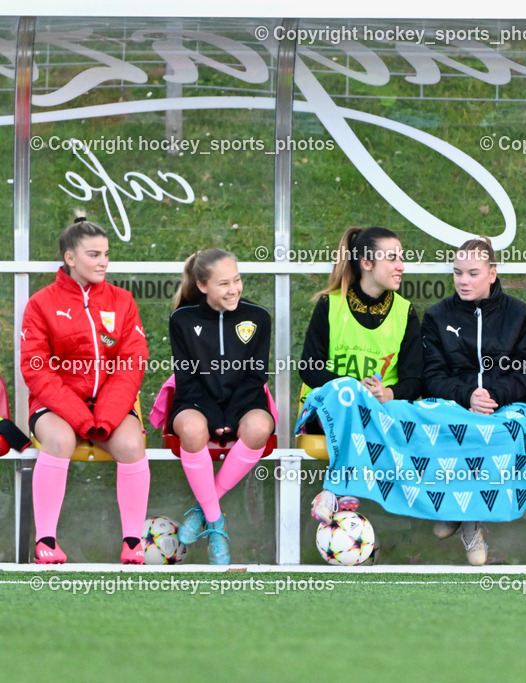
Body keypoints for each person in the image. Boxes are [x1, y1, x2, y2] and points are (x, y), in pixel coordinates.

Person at [21, 214, 150, 564]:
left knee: (131, 443)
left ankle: (133, 543)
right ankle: (46, 541)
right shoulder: (41, 303)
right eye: (93, 254)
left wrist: (104, 415)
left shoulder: (122, 301)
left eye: (106, 254)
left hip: (108, 406)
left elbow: (132, 364)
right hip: (56, 407)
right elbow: (36, 369)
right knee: (60, 440)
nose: (103, 261)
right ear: (70, 258)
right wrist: (80, 416)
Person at [421, 238, 526, 565]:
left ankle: (461, 515)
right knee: (440, 420)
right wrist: (466, 395)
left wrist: (492, 396)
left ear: (492, 274)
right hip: (455, 403)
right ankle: (463, 514)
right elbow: (430, 376)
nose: (463, 280)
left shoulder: (519, 314)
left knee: (506, 425)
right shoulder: (436, 316)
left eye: (472, 273)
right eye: (457, 273)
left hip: (502, 404)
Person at [300, 226, 423, 520]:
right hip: (324, 416)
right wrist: (354, 389)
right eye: (392, 258)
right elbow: (309, 368)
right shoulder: (330, 305)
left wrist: (388, 393)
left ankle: (332, 492)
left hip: (379, 416)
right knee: (347, 394)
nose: (401, 266)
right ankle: (344, 489)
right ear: (367, 263)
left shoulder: (405, 312)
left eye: (401, 258)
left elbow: (416, 380)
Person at [168, 249, 274, 565]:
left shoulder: (258, 317)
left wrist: (229, 416)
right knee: (191, 428)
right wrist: (214, 416)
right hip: (195, 401)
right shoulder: (182, 320)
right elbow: (186, 379)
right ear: (202, 286)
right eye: (224, 283)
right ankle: (216, 523)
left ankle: (202, 511)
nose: (234, 289)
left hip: (245, 401)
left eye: (237, 280)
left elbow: (256, 377)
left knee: (259, 427)